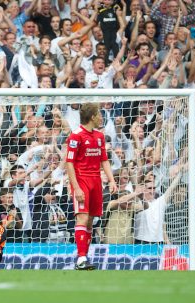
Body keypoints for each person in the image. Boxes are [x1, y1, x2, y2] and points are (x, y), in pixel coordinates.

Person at [65, 102, 117, 270]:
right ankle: (80, 258)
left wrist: (111, 180)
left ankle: (84, 258)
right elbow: (69, 163)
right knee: (82, 217)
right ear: (93, 117)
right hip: (82, 181)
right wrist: (76, 187)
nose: (102, 117)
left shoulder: (100, 136)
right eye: (100, 114)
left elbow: (104, 160)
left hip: (96, 182)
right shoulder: (76, 135)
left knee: (90, 221)